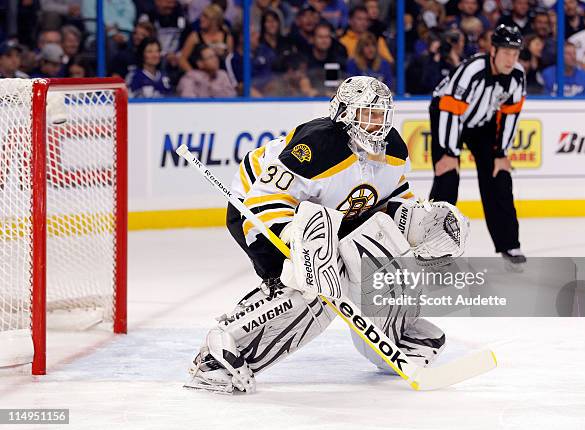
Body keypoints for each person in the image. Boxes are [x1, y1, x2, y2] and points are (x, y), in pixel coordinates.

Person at [184, 76, 468, 394]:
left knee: (382, 253)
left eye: (381, 114)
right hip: (260, 210)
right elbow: (263, 199)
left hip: (335, 215)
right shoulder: (317, 145)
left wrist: (420, 223)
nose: (377, 123)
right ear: (344, 113)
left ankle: (392, 333)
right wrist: (295, 239)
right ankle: (220, 352)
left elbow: (395, 202)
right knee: (311, 289)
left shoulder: (394, 149)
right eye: (367, 114)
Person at [428, 24, 527, 265]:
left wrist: (501, 153)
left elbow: (510, 116)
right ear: (493, 50)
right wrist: (450, 153)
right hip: (447, 115)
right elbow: (450, 110)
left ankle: (509, 244)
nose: (510, 59)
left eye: (515, 53)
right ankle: (432, 243)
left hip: (482, 123)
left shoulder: (517, 76)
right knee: (448, 176)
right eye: (506, 52)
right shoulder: (473, 70)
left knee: (500, 176)